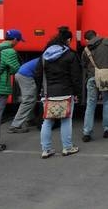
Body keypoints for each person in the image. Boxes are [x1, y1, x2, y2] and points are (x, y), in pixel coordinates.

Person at [36, 29, 82, 159]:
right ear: (68, 40)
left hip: (48, 93)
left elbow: (38, 74)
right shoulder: (70, 55)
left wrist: (39, 92)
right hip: (66, 93)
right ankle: (67, 148)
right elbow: (76, 77)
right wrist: (78, 93)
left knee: (47, 121)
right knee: (66, 120)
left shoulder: (44, 55)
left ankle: (46, 149)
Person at [81, 30, 108, 142]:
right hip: (107, 77)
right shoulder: (106, 41)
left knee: (90, 105)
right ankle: (107, 129)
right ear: (97, 35)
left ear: (87, 40)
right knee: (107, 102)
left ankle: (87, 132)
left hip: (92, 78)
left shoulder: (86, 50)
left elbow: (84, 65)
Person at [7, 57, 40, 133]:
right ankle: (15, 126)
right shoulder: (50, 59)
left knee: (31, 98)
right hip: (26, 76)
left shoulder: (46, 57)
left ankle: (30, 120)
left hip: (21, 74)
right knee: (29, 100)